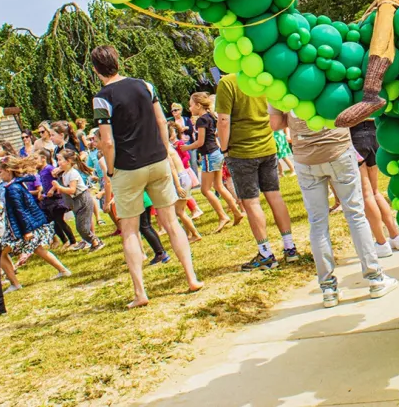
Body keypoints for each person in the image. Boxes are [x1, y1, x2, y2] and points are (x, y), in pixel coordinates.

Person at [90, 45, 202, 308]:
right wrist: (164, 151)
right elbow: (162, 122)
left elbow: (107, 142)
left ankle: (140, 293)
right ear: (117, 61)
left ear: (96, 70)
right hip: (157, 160)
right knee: (172, 222)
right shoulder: (145, 85)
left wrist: (109, 169)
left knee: (129, 230)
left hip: (127, 167)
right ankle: (192, 278)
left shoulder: (101, 98)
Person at [269, 108, 397, 307]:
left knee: (317, 223)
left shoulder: (279, 78)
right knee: (355, 215)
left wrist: (295, 118)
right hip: (338, 150)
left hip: (305, 156)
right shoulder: (330, 75)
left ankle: (328, 289)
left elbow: (275, 124)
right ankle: (375, 279)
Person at [215, 73, 297, 270]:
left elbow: (223, 120)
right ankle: (290, 247)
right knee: (275, 196)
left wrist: (224, 149)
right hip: (267, 146)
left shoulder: (228, 83)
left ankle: (266, 253)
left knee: (251, 202)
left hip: (242, 150)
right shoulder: (261, 76)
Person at [0, 156, 70, 293]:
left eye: (0, 172)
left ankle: (15, 283)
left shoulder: (12, 188)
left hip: (21, 227)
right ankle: (63, 270)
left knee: (1, 253)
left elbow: (20, 211)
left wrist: (26, 231)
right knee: (38, 249)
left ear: (8, 171)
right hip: (27, 225)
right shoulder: (17, 184)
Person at [180, 91, 243, 231]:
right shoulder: (210, 116)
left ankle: (223, 216)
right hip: (216, 152)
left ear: (198, 105)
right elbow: (213, 134)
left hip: (209, 154)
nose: (189, 108)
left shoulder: (202, 120)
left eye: (190, 106)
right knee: (219, 186)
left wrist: (186, 148)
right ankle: (237, 212)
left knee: (205, 189)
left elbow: (200, 142)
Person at [349, 120, 399, 255]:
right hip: (374, 134)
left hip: (354, 136)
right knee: (375, 192)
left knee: (366, 194)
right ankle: (396, 236)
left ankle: (381, 243)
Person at [53, 149, 104, 251]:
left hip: (83, 200)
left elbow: (72, 190)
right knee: (80, 227)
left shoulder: (73, 173)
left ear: (69, 161)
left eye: (60, 160)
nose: (58, 163)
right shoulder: (64, 173)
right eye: (57, 160)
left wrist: (59, 187)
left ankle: (96, 242)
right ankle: (93, 242)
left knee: (83, 228)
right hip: (76, 202)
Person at [36, 148, 76, 248]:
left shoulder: (50, 168)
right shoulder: (41, 171)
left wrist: (53, 189)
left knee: (60, 221)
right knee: (53, 223)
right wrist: (41, 192)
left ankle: (73, 241)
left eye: (36, 158)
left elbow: (57, 179)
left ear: (43, 158)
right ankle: (65, 241)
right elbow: (42, 184)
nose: (34, 161)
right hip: (47, 200)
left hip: (56, 200)